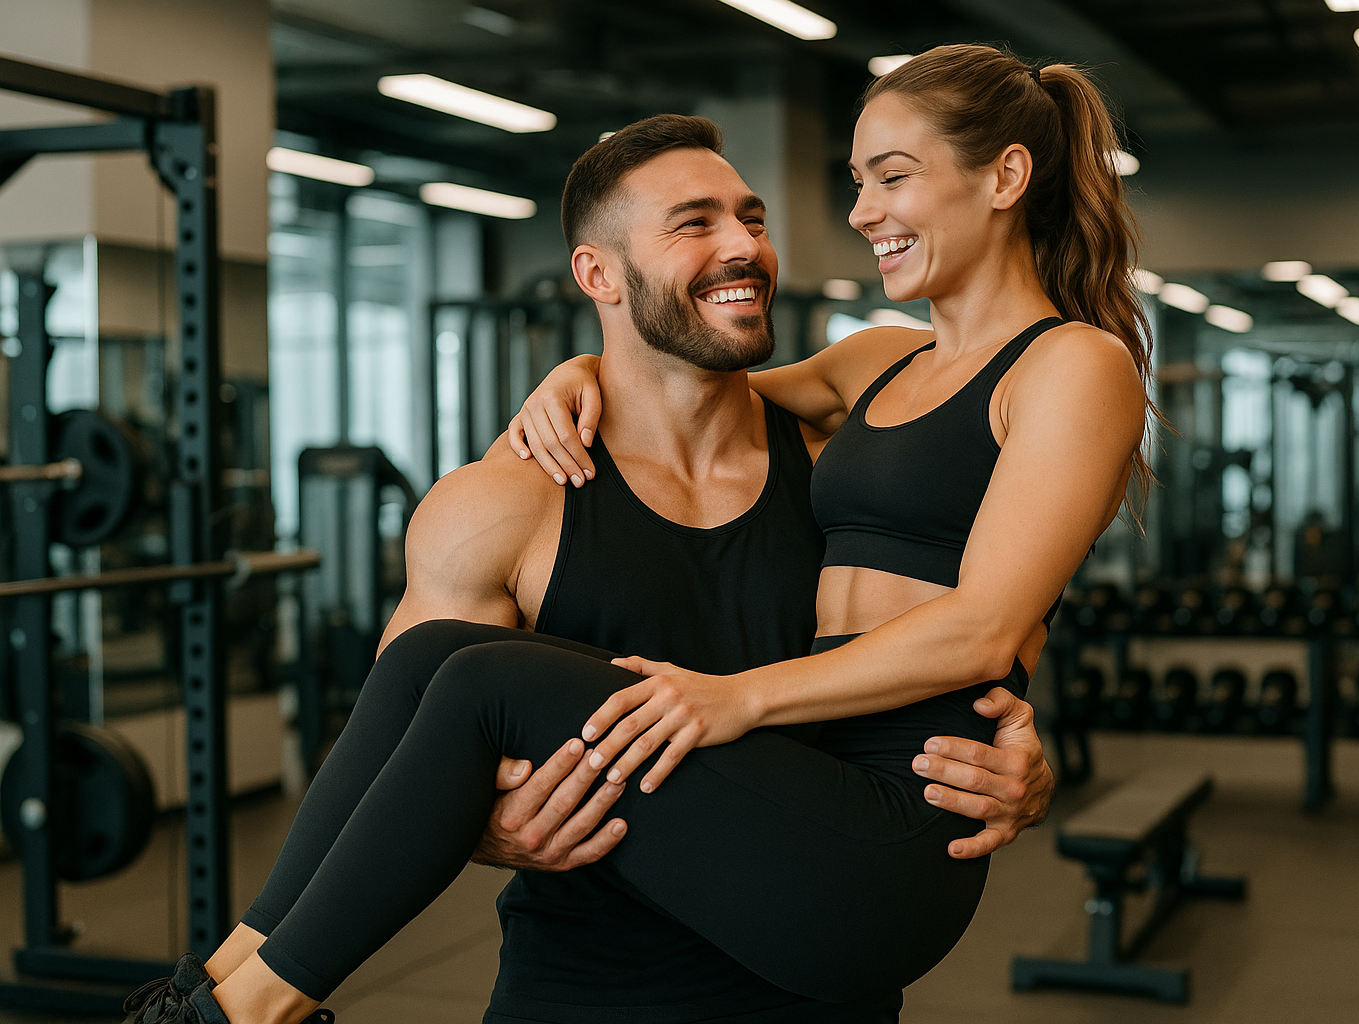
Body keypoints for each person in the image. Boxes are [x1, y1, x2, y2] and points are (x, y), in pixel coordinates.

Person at [127, 40, 1147, 1024]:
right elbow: (678, 383)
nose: (860, 211)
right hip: (784, 810)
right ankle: (217, 978)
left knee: (489, 682)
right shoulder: (879, 361)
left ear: (1007, 175)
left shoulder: (1076, 364)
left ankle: (254, 1012)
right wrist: (570, 374)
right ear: (598, 273)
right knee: (440, 654)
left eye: (890, 177)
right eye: (858, 181)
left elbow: (981, 631)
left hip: (890, 832)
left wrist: (729, 701)